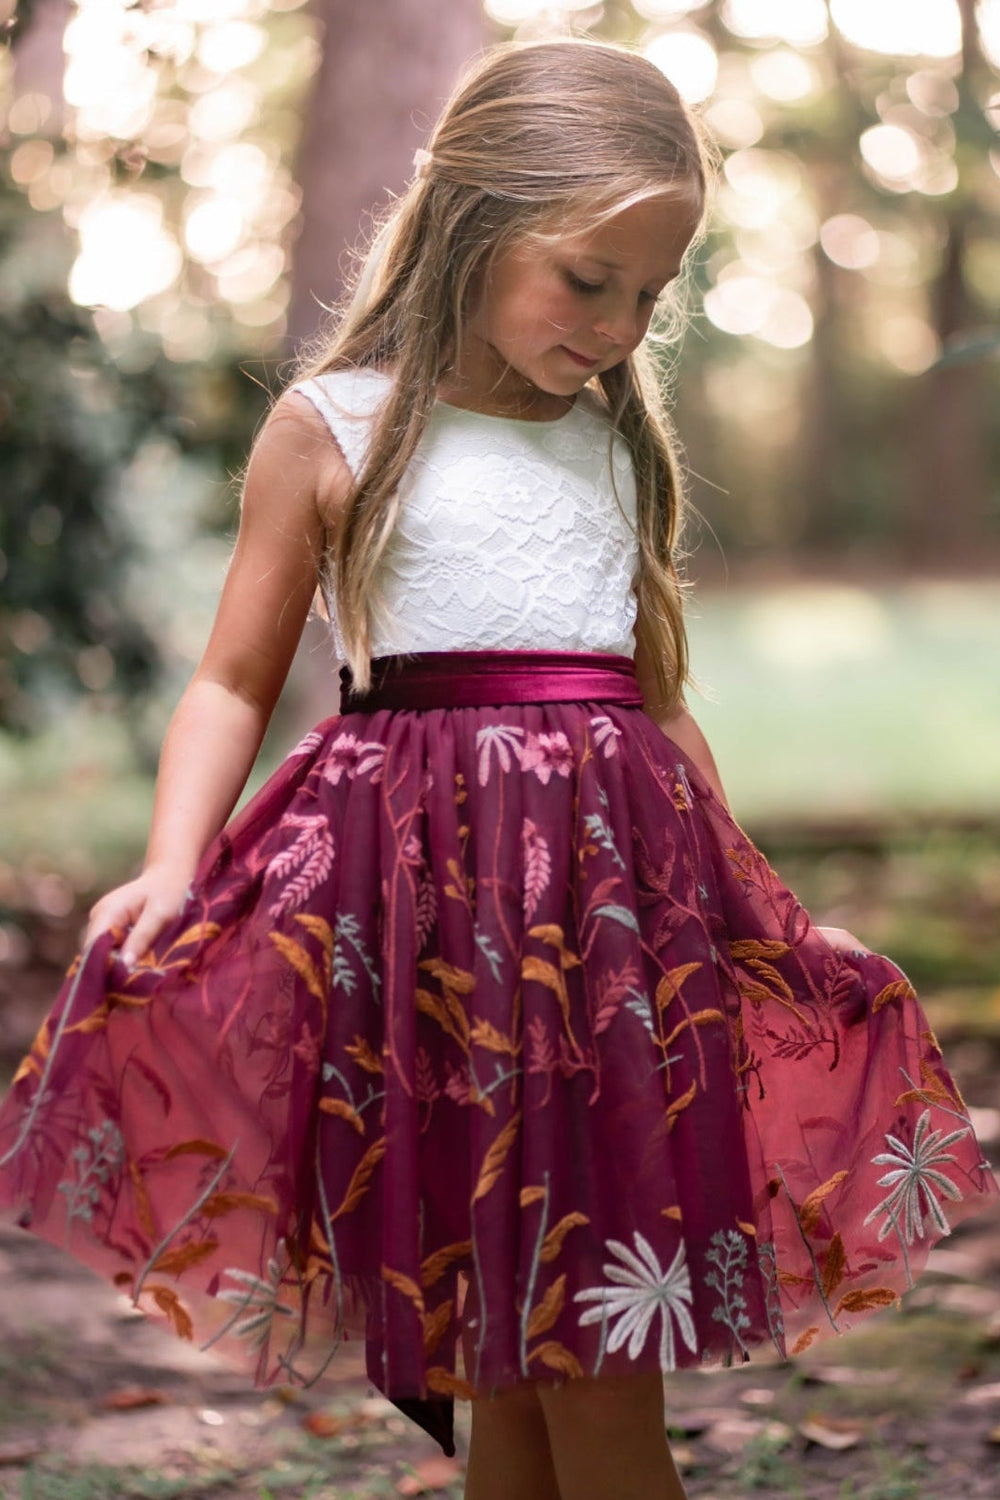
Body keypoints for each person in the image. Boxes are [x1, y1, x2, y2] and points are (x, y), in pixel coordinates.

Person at [0, 37, 995, 1500]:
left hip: (610, 959)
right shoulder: (335, 430)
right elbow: (232, 677)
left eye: (651, 295)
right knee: (505, 1350)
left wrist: (758, 911)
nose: (618, 325)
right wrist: (169, 863)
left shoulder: (615, 445)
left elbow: (657, 711)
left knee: (591, 1332)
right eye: (588, 281)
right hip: (435, 957)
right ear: (471, 217)